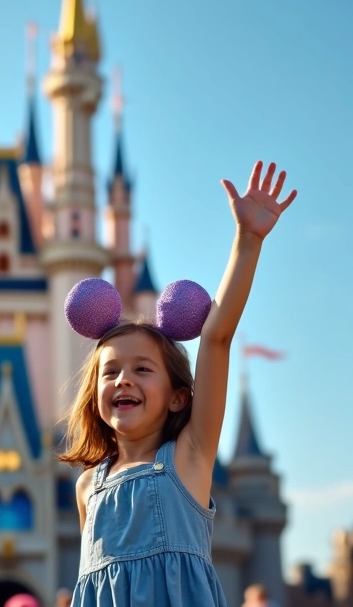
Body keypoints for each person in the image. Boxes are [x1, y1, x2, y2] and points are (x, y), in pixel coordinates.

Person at [60, 161, 298, 606]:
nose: (123, 379)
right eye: (110, 372)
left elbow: (217, 337)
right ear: (94, 395)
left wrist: (248, 241)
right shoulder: (87, 486)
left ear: (178, 398)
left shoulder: (189, 457)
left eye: (142, 369)